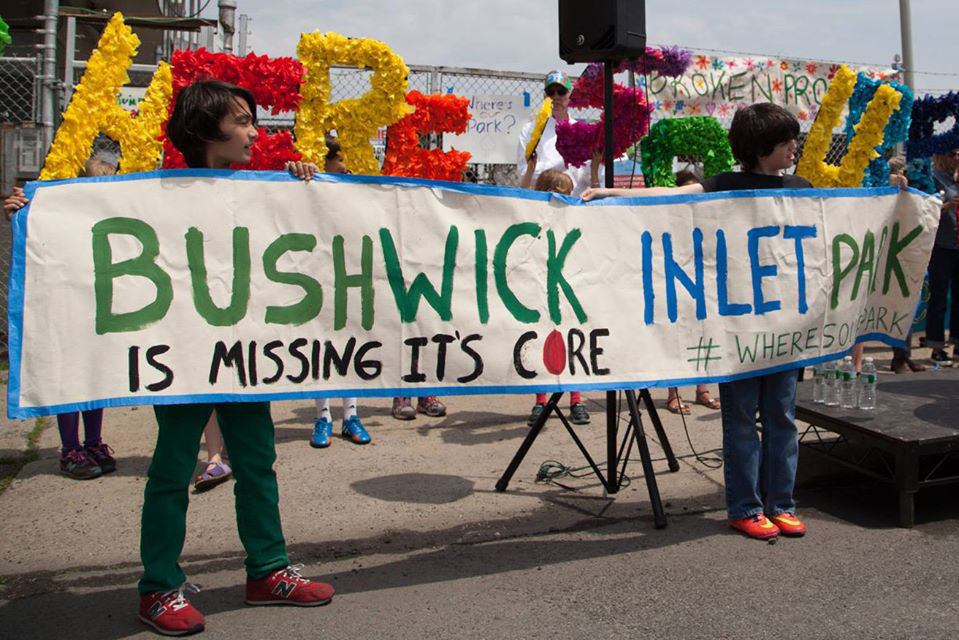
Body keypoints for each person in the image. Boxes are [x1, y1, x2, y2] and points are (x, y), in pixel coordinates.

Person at [136, 80, 333, 636]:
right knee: (173, 469)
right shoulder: (154, 191)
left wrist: (303, 186)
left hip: (245, 353)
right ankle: (157, 586)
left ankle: (268, 571)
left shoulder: (261, 189)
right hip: (182, 353)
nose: (254, 131)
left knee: (256, 461)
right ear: (203, 129)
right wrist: (35, 210)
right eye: (243, 120)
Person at [584, 103, 811, 541]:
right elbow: (673, 194)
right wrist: (614, 193)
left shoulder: (800, 187)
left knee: (782, 416)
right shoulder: (725, 185)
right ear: (762, 148)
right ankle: (746, 506)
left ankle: (781, 503)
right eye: (785, 142)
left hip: (783, 327)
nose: (792, 148)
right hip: (739, 330)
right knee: (742, 418)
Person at [4, 157, 118, 480]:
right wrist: (21, 214)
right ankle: (70, 449)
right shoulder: (61, 215)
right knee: (69, 375)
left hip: (96, 303)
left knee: (93, 372)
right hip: (64, 304)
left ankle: (93, 442)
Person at [310, 134, 371, 447]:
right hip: (318, 275)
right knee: (321, 344)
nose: (345, 171)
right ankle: (322, 416)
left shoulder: (353, 191)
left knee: (350, 341)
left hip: (349, 272)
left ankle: (350, 415)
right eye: (339, 166)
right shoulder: (307, 189)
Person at [524, 170, 591, 426]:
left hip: (569, 289)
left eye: (564, 192)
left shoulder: (574, 218)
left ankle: (576, 399)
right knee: (542, 343)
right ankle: (542, 401)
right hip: (542, 290)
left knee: (573, 342)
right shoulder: (534, 217)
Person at [664, 169, 720, 415]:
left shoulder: (709, 217)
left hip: (703, 283)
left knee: (704, 335)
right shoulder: (670, 219)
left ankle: (702, 390)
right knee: (677, 336)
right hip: (676, 283)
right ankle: (673, 393)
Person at [516, 70, 601, 197]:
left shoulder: (582, 131)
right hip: (542, 198)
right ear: (545, 96)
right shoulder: (530, 130)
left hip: (575, 200)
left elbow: (590, 175)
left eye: (561, 92)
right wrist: (565, 161)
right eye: (551, 92)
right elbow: (524, 175)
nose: (556, 97)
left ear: (569, 95)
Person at [887, 156, 926, 373]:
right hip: (885, 254)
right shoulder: (880, 190)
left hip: (906, 254)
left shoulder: (915, 193)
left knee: (907, 303)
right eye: (901, 173)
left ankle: (902, 356)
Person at [925, 149, 959, 365]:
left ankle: (957, 343)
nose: (957, 157)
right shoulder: (934, 178)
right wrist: (947, 205)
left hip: (957, 245)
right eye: (953, 153)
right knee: (939, 297)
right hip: (942, 246)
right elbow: (926, 211)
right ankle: (936, 346)